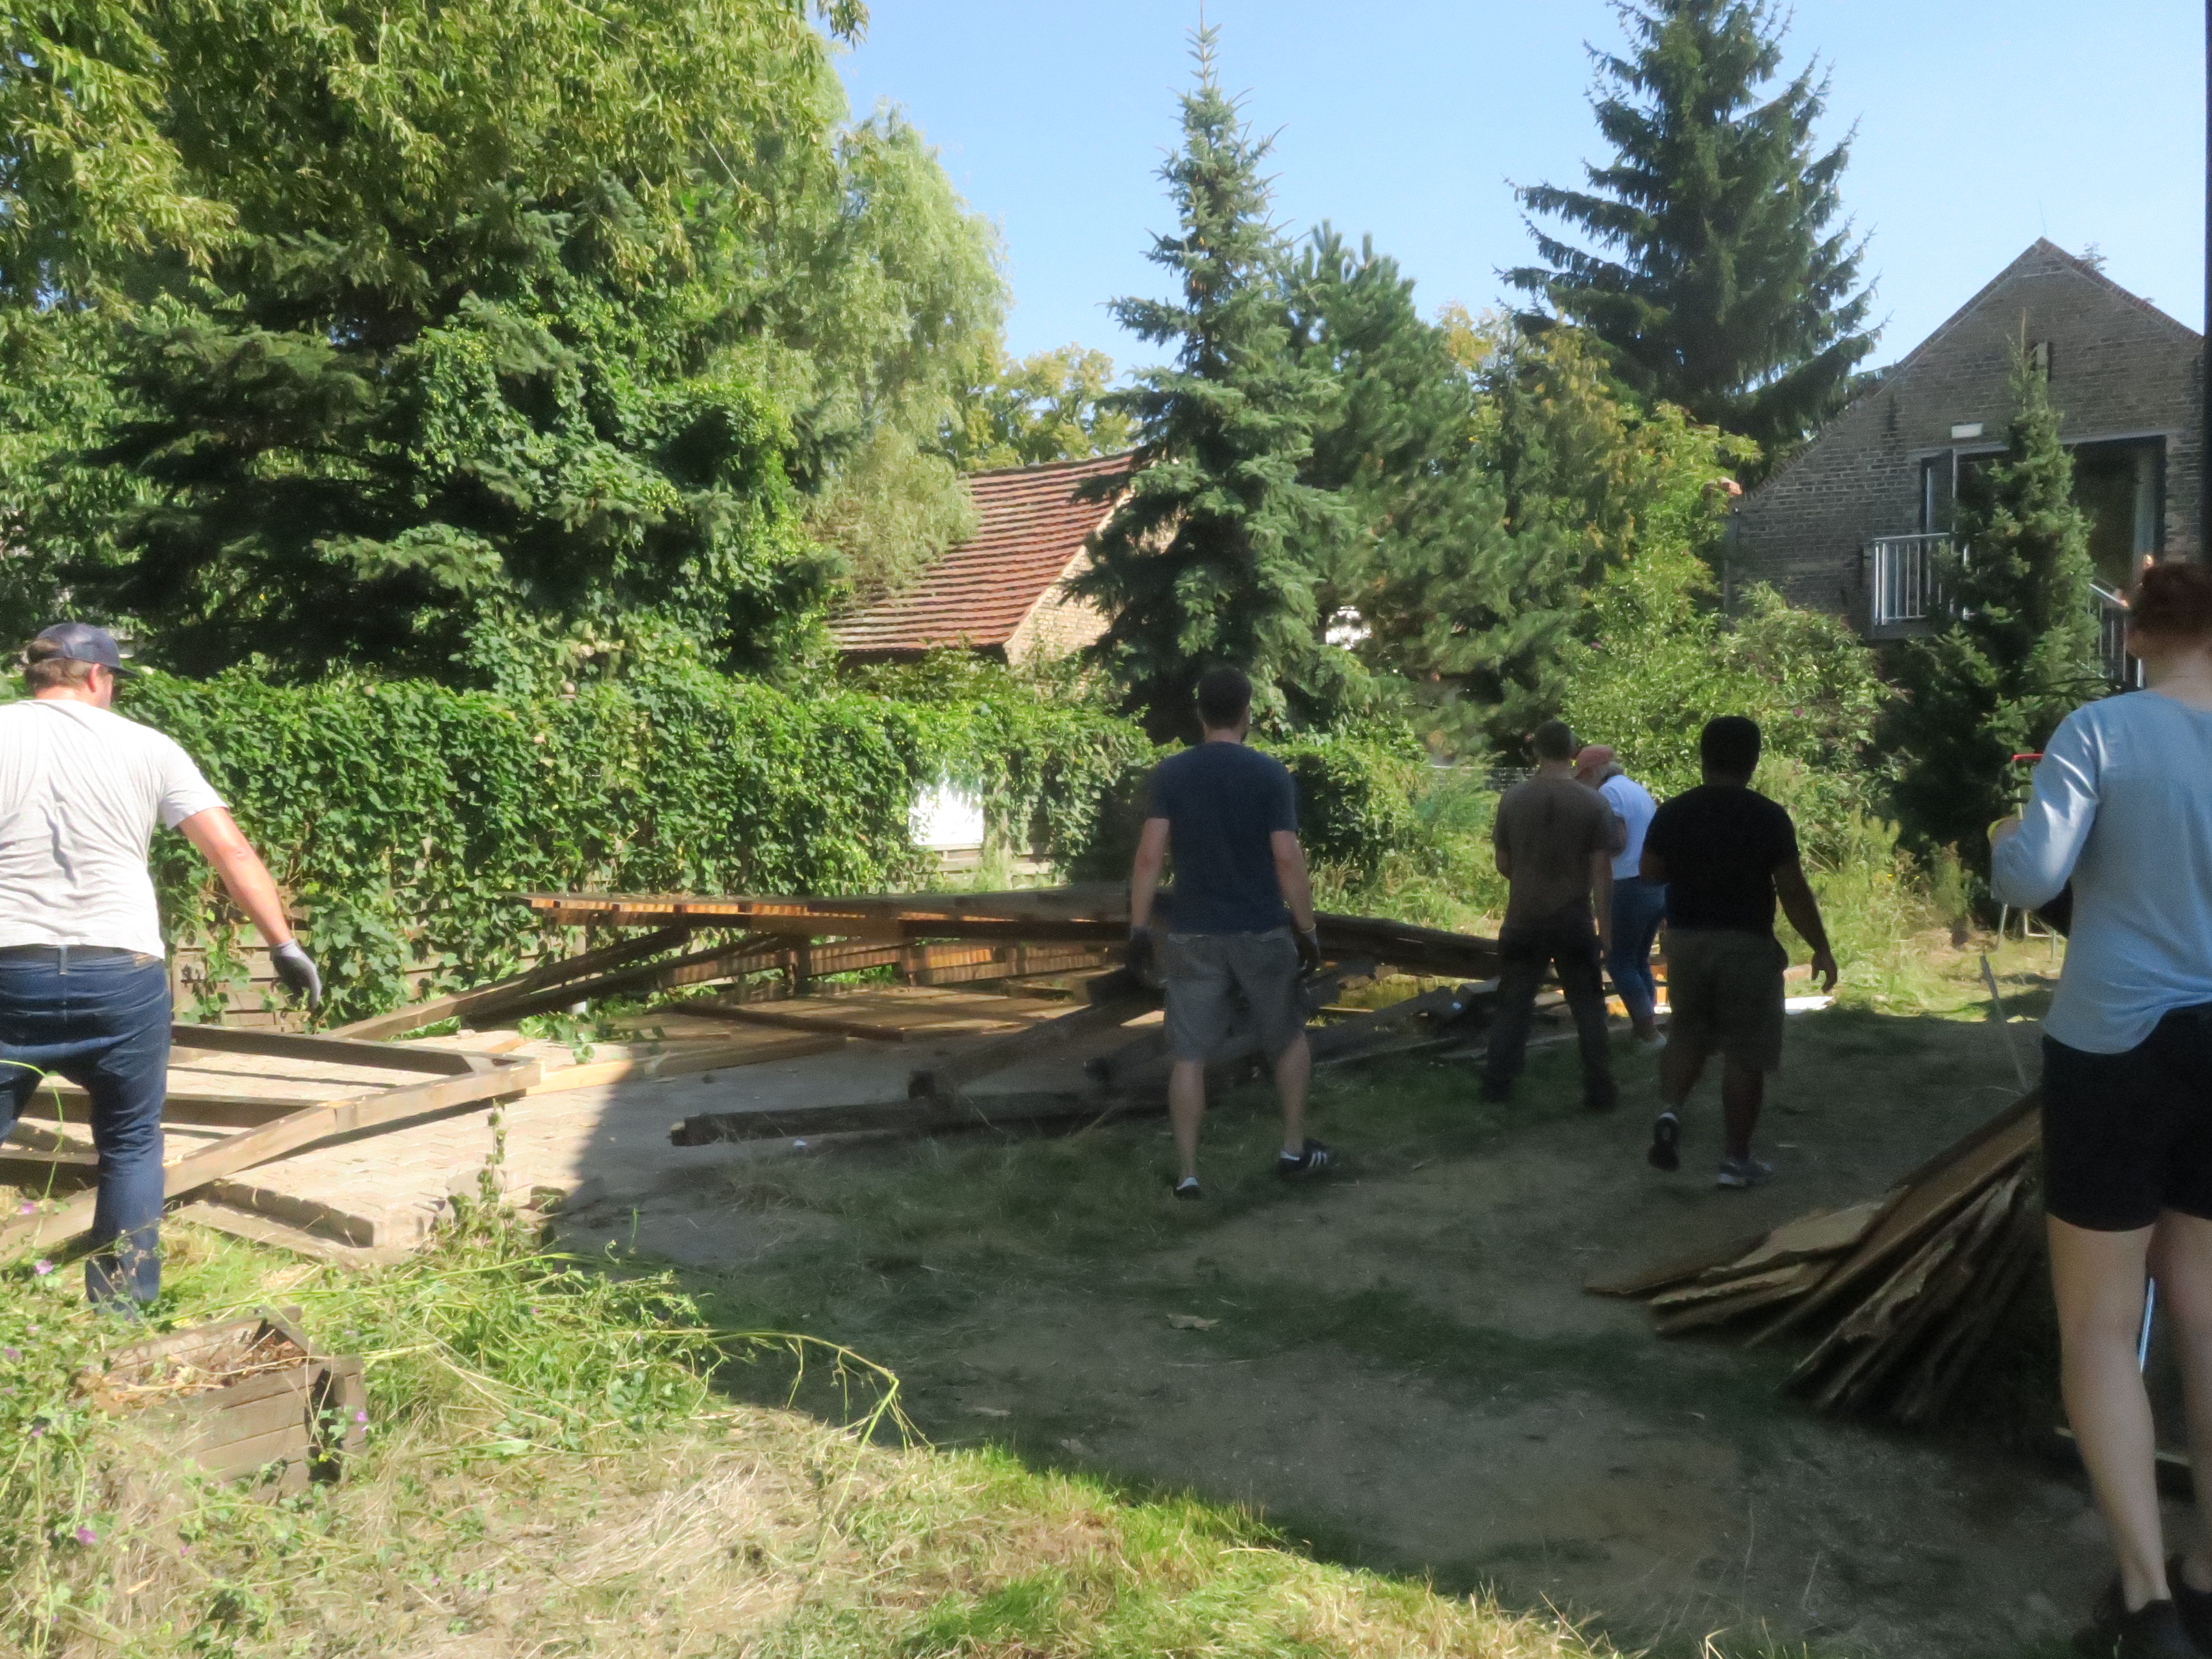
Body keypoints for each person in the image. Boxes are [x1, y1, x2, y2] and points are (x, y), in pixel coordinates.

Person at [1989, 560, 2212, 1659]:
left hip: (2117, 1046)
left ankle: (2147, 1603)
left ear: (2137, 636)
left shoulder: (2102, 730)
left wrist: (1999, 840)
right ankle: (2209, 1575)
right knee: (2208, 1311)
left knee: (2100, 1326)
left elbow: (2033, 879)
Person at [0, 624, 320, 1305]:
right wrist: (282, 944)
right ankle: (121, 1314)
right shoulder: (150, 747)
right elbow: (231, 852)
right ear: (96, 676)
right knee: (131, 1143)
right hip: (122, 971)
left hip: (9, 971)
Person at [1127, 666, 1329, 1199]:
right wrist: (1307, 928)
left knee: (1189, 1054)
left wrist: (1139, 928)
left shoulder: (1171, 774)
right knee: (1288, 1036)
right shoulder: (1270, 775)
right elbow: (1286, 857)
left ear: (1201, 714)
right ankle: (1292, 1147)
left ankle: (1189, 1174)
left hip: (1193, 932)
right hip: (1260, 927)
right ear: (1246, 713)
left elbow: (1149, 856)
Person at [1639, 715, 1836, 1189]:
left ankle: (1671, 1111)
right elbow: (1792, 889)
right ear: (1753, 761)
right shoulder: (1767, 816)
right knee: (1746, 1051)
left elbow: (1649, 872)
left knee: (1687, 1033)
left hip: (1686, 941)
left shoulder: (1675, 812)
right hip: (1746, 944)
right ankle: (1735, 1160)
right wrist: (1820, 948)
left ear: (1703, 759)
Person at [1481, 718, 1619, 1112]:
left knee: (1513, 1004)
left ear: (1536, 751)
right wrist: (1606, 931)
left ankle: (1497, 1086)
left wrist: (1531, 880)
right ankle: (1599, 1089)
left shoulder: (1513, 799)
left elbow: (1503, 863)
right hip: (1574, 917)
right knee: (1588, 1007)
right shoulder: (1594, 803)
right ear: (1573, 752)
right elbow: (1602, 873)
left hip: (1524, 917)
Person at [1575, 744, 1666, 1051]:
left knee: (1619, 963)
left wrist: (1588, 845)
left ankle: (1650, 1035)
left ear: (1592, 772)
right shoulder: (1635, 789)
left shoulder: (1608, 794)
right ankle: (1646, 1029)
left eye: (1581, 776)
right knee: (1639, 960)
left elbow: (1616, 841)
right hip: (1654, 885)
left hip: (1628, 885)